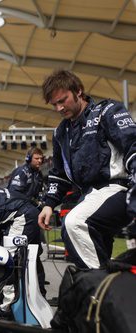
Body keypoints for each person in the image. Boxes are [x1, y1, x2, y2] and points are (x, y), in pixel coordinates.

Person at [38, 69, 136, 269]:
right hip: (89, 197)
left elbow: (132, 145)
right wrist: (49, 204)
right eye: (54, 104)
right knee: (92, 245)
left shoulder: (107, 111)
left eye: (63, 100)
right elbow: (59, 175)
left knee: (75, 223)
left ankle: (95, 286)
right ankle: (106, 288)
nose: (59, 107)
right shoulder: (60, 133)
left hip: (118, 189)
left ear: (79, 91)